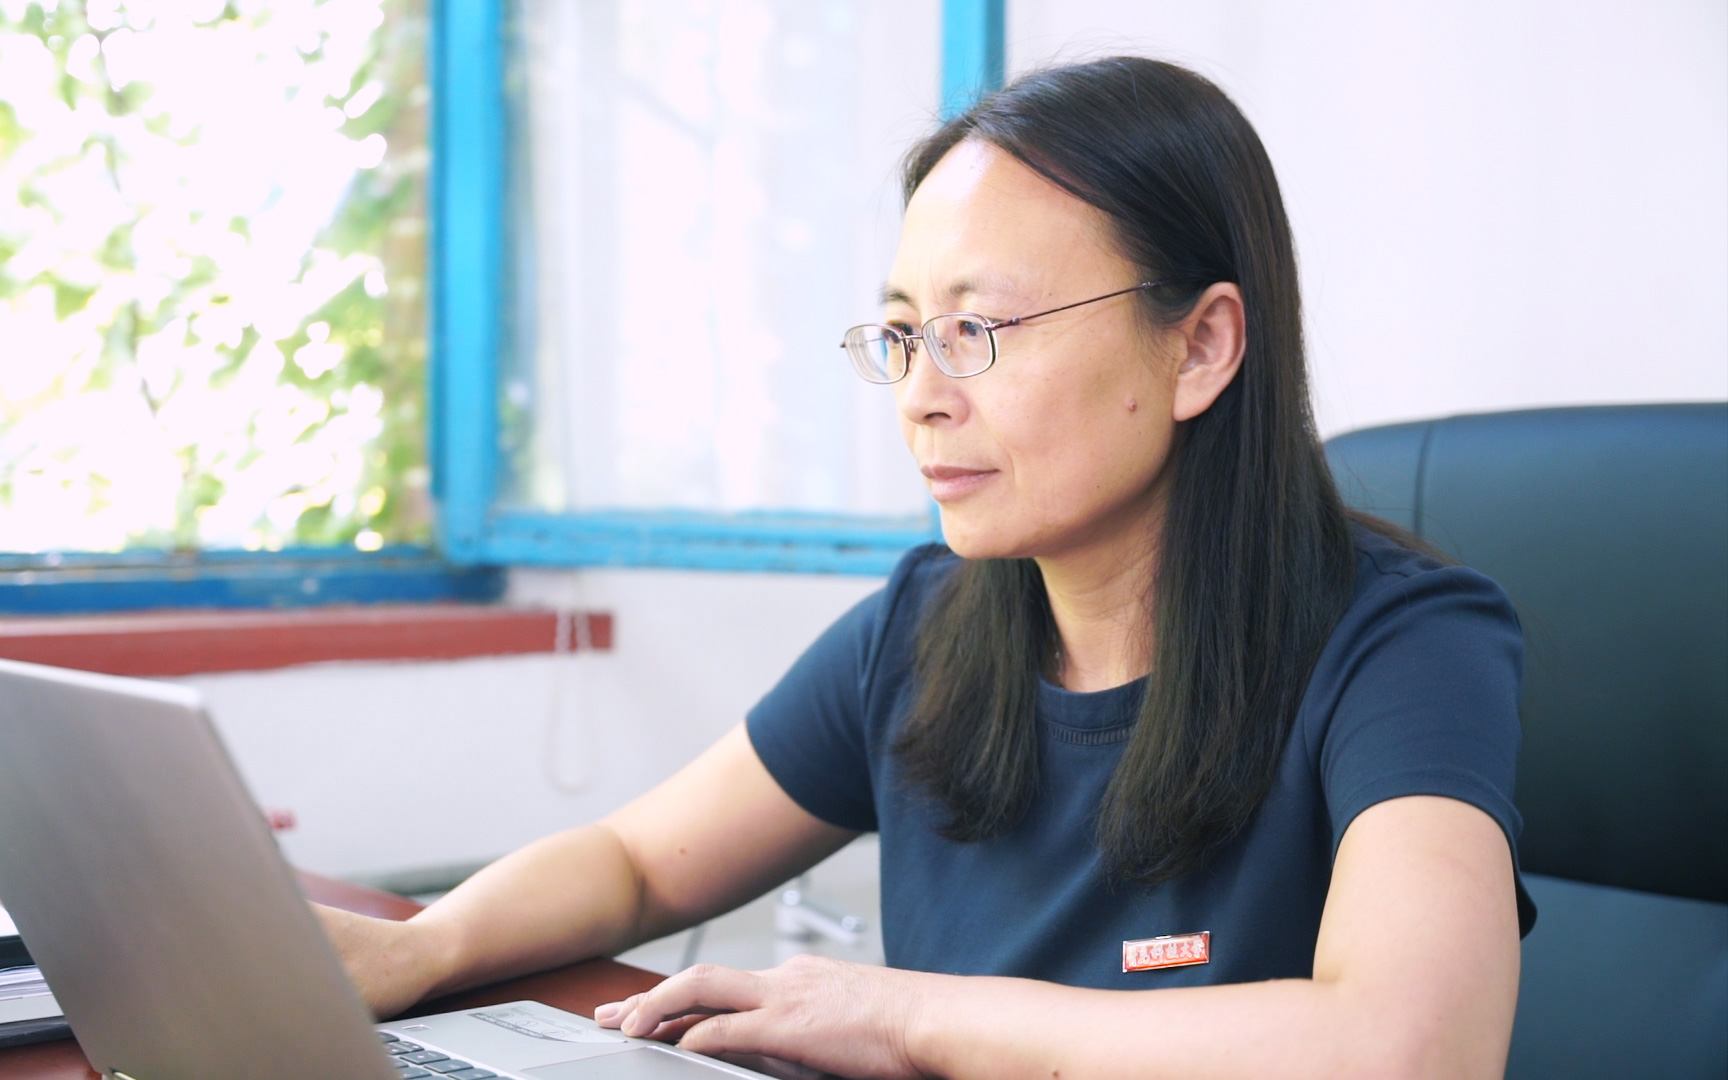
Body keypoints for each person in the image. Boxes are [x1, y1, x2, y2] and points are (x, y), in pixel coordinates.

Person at [317, 57, 1531, 1079]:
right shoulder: (924, 625)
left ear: (1201, 346)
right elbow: (637, 864)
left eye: (977, 331)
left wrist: (902, 1016)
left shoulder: (1403, 644)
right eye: (904, 333)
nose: (920, 397)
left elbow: (1413, 1048)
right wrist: (421, 951)